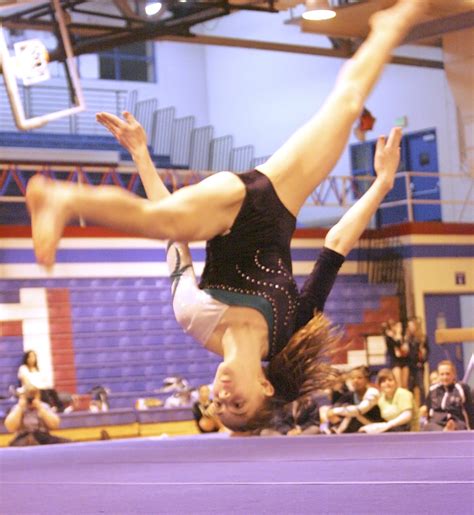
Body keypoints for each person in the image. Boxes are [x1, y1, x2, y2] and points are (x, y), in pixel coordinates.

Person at [26, 0, 427, 432]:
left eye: (219, 408)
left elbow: (171, 233)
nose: (221, 399)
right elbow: (335, 247)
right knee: (347, 105)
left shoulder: (195, 318)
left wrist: (142, 156)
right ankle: (396, 19)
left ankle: (65, 198)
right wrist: (382, 185)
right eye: (237, 407)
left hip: (226, 210)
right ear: (266, 388)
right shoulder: (290, 330)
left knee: (168, 221)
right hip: (275, 199)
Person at [4, 386, 70, 446]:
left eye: (33, 396)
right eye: (28, 397)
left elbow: (55, 425)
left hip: (43, 436)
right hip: (23, 437)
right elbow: (10, 427)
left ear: (38, 396)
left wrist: (40, 407)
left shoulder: (44, 406)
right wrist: (20, 407)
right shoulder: (17, 407)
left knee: (68, 443)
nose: (30, 399)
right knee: (27, 441)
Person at [326, 366, 383, 434]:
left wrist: (336, 411)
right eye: (352, 378)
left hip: (374, 428)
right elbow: (331, 413)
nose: (355, 380)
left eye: (359, 378)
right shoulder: (349, 395)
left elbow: (360, 409)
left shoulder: (373, 392)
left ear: (367, 379)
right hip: (354, 430)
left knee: (349, 410)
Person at [359, 368, 414, 434]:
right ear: (379, 385)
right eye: (383, 381)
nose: (387, 383)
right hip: (391, 431)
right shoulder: (380, 398)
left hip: (408, 431)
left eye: (390, 380)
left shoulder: (402, 393)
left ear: (395, 382)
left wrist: (387, 425)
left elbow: (407, 415)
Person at [423, 360, 473, 432]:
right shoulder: (433, 389)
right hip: (437, 423)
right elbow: (428, 411)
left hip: (456, 421)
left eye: (447, 374)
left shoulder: (462, 388)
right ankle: (445, 431)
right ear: (438, 375)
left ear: (454, 374)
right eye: (442, 374)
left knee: (459, 425)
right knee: (428, 426)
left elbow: (470, 411)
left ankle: (449, 429)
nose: (445, 377)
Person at [405, 316, 429, 406]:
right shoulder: (407, 338)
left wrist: (423, 360)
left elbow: (427, 351)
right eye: (409, 326)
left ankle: (424, 404)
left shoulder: (422, 338)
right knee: (410, 386)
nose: (411, 328)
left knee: (421, 386)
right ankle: (410, 405)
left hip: (419, 364)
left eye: (412, 326)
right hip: (409, 365)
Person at [382, 319, 409, 389]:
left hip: (404, 360)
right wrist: (397, 335)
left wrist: (399, 336)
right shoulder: (388, 337)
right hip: (395, 361)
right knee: (398, 384)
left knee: (405, 384)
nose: (395, 328)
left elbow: (405, 348)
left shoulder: (402, 336)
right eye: (393, 326)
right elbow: (397, 345)